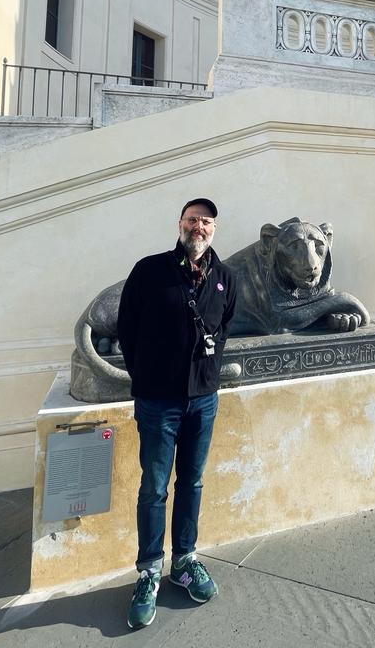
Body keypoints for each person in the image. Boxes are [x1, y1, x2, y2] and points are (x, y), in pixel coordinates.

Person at [117, 197, 239, 629]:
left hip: (203, 400)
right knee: (154, 487)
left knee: (192, 481)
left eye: (206, 221)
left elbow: (224, 328)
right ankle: (149, 570)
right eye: (192, 220)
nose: (198, 227)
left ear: (213, 229)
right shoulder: (149, 271)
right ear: (180, 224)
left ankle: (185, 560)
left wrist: (206, 375)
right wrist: (147, 377)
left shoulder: (225, 278)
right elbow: (127, 328)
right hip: (158, 402)